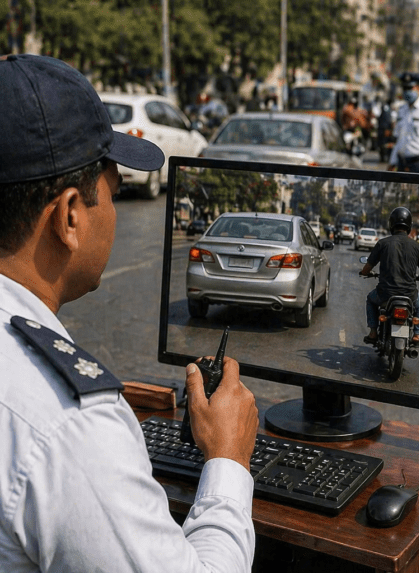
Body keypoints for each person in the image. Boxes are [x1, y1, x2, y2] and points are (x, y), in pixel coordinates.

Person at [0, 54, 259, 571]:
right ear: (70, 215)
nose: (116, 214)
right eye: (113, 194)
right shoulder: (69, 427)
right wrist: (228, 461)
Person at [360, 207, 419, 347]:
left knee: (370, 299)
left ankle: (373, 332)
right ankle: (417, 335)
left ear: (391, 224)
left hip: (385, 295)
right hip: (410, 296)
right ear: (409, 226)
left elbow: (367, 268)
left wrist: (365, 273)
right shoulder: (417, 247)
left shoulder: (383, 243)